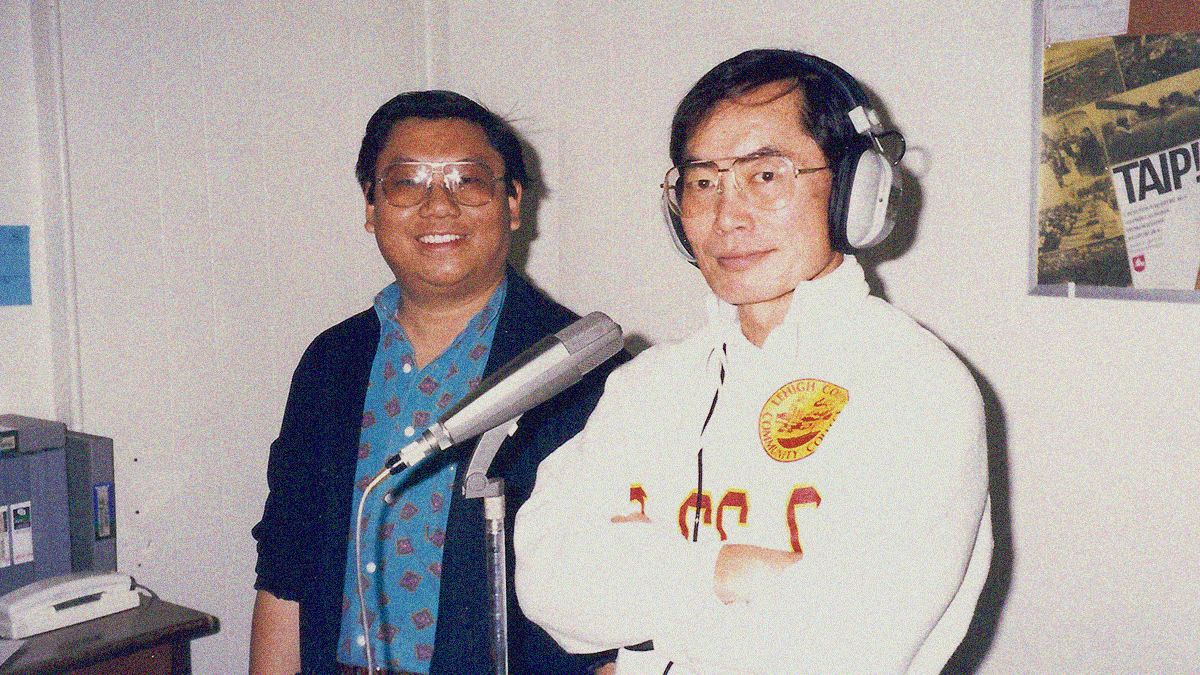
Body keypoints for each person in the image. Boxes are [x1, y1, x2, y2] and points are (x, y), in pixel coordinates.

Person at [514, 49, 992, 675]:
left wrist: (639, 630)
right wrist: (728, 568)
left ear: (855, 190)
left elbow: (844, 647)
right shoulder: (644, 388)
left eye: (766, 176)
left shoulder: (914, 386)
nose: (727, 216)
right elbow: (549, 585)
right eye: (704, 182)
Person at [250, 90, 622, 675]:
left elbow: (611, 604)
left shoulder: (582, 372)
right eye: (407, 182)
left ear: (513, 203)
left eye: (467, 181)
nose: (438, 207)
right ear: (372, 206)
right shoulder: (330, 363)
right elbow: (284, 567)